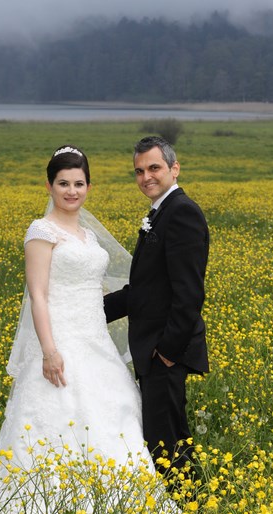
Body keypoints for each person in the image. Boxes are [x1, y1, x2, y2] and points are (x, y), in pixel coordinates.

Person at [0, 145, 177, 514]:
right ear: (50, 186)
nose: (72, 191)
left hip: (94, 338)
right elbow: (38, 295)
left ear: (89, 186)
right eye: (64, 183)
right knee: (61, 410)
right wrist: (49, 351)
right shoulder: (41, 231)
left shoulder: (88, 235)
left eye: (79, 183)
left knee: (113, 407)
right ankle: (50, 494)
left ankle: (118, 497)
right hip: (60, 338)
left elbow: (93, 286)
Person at [104, 136, 209, 493]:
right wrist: (88, 309)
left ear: (174, 168)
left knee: (164, 437)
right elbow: (146, 290)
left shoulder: (182, 213)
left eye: (154, 168)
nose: (146, 177)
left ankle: (181, 505)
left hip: (164, 348)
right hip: (155, 347)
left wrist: (166, 351)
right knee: (168, 431)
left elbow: (189, 293)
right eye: (139, 171)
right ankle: (189, 501)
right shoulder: (161, 212)